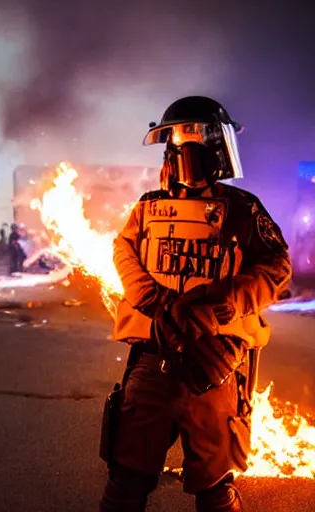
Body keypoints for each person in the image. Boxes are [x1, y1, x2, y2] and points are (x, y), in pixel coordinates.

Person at [99, 96, 292, 511]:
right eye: (185, 143)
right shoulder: (148, 207)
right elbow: (123, 250)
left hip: (215, 362)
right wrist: (153, 300)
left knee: (214, 487)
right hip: (155, 356)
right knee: (127, 482)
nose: (192, 152)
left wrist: (224, 305)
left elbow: (277, 265)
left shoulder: (243, 209)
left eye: (200, 141)